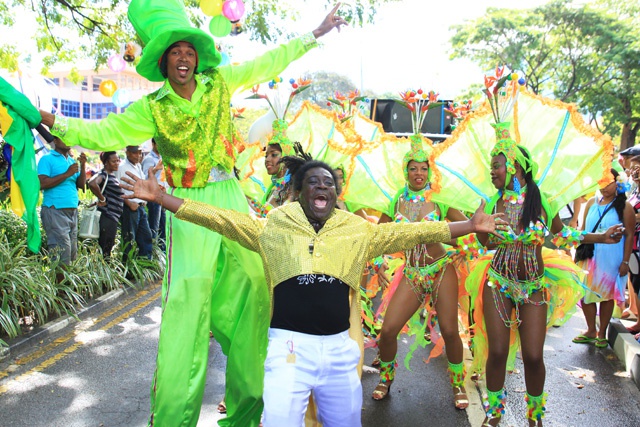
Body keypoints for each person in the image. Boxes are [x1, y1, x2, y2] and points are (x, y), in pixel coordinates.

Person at [37, 1, 347, 425]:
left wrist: (315, 33)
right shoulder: (151, 108)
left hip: (229, 195)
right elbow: (101, 132)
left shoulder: (219, 83)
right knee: (186, 303)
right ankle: (172, 419)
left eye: (189, 50)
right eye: (175, 52)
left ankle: (247, 410)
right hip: (184, 204)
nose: (183, 57)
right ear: (163, 61)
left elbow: (267, 61)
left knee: (256, 286)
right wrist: (49, 118)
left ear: (198, 57)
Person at [120, 154, 506, 427]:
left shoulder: (356, 231)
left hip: (339, 352)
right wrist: (161, 198)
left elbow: (410, 231)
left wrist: (470, 226)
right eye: (313, 182)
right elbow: (220, 218)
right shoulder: (274, 227)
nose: (323, 187)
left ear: (336, 194)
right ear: (301, 192)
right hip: (288, 350)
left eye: (329, 183)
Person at [468, 127, 624, 427]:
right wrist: (482, 229)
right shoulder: (490, 203)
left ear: (514, 167)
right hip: (498, 283)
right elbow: (484, 245)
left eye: (496, 165)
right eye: (491, 167)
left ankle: (535, 416)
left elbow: (563, 236)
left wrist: (602, 238)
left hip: (533, 287)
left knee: (533, 356)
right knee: (498, 352)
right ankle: (495, 413)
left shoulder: (542, 202)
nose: (492, 172)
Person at [371, 134, 472, 409]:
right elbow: (377, 236)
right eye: (413, 168)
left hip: (441, 270)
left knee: (450, 330)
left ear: (431, 171)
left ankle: (458, 385)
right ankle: (386, 378)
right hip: (412, 273)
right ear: (406, 171)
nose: (419, 173)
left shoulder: (440, 199)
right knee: (389, 329)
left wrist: (456, 243)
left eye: (424, 167)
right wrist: (378, 263)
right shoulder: (396, 202)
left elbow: (469, 229)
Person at [573, 168, 635, 348]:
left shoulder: (625, 207)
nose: (604, 187)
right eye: (601, 182)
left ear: (618, 183)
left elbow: (629, 235)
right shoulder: (592, 202)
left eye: (608, 182)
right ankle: (591, 329)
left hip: (612, 258)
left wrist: (625, 262)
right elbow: (583, 230)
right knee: (586, 294)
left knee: (606, 295)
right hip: (590, 256)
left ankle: (602, 333)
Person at [37, 136, 86, 267]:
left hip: (72, 211)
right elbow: (42, 183)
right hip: (55, 209)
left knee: (71, 252)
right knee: (61, 253)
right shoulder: (46, 159)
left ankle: (66, 285)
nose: (69, 141)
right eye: (65, 138)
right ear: (56, 141)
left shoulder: (71, 161)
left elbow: (81, 185)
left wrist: (83, 165)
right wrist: (66, 174)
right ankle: (60, 286)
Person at [116, 145, 153, 263]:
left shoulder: (138, 166)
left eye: (140, 153)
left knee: (146, 237)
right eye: (135, 153)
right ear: (127, 153)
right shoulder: (121, 167)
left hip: (140, 207)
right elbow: (117, 189)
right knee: (129, 239)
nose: (138, 156)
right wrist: (128, 203)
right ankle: (128, 268)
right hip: (130, 208)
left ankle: (146, 264)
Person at [87, 151, 124, 259]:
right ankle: (103, 272)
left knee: (108, 246)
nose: (117, 163)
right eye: (114, 161)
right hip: (108, 216)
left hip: (113, 216)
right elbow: (92, 183)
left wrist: (101, 198)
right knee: (105, 248)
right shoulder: (103, 174)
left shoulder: (111, 175)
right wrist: (102, 199)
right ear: (106, 163)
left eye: (118, 160)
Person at [140, 139, 166, 249]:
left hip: (163, 197)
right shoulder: (149, 159)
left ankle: (162, 253)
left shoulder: (162, 158)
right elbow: (145, 178)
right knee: (154, 226)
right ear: (154, 144)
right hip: (153, 197)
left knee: (163, 226)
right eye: (159, 143)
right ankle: (154, 253)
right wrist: (155, 169)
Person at [625, 156, 640, 333]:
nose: (634, 172)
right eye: (632, 168)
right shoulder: (635, 192)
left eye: (637, 168)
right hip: (633, 244)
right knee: (636, 282)